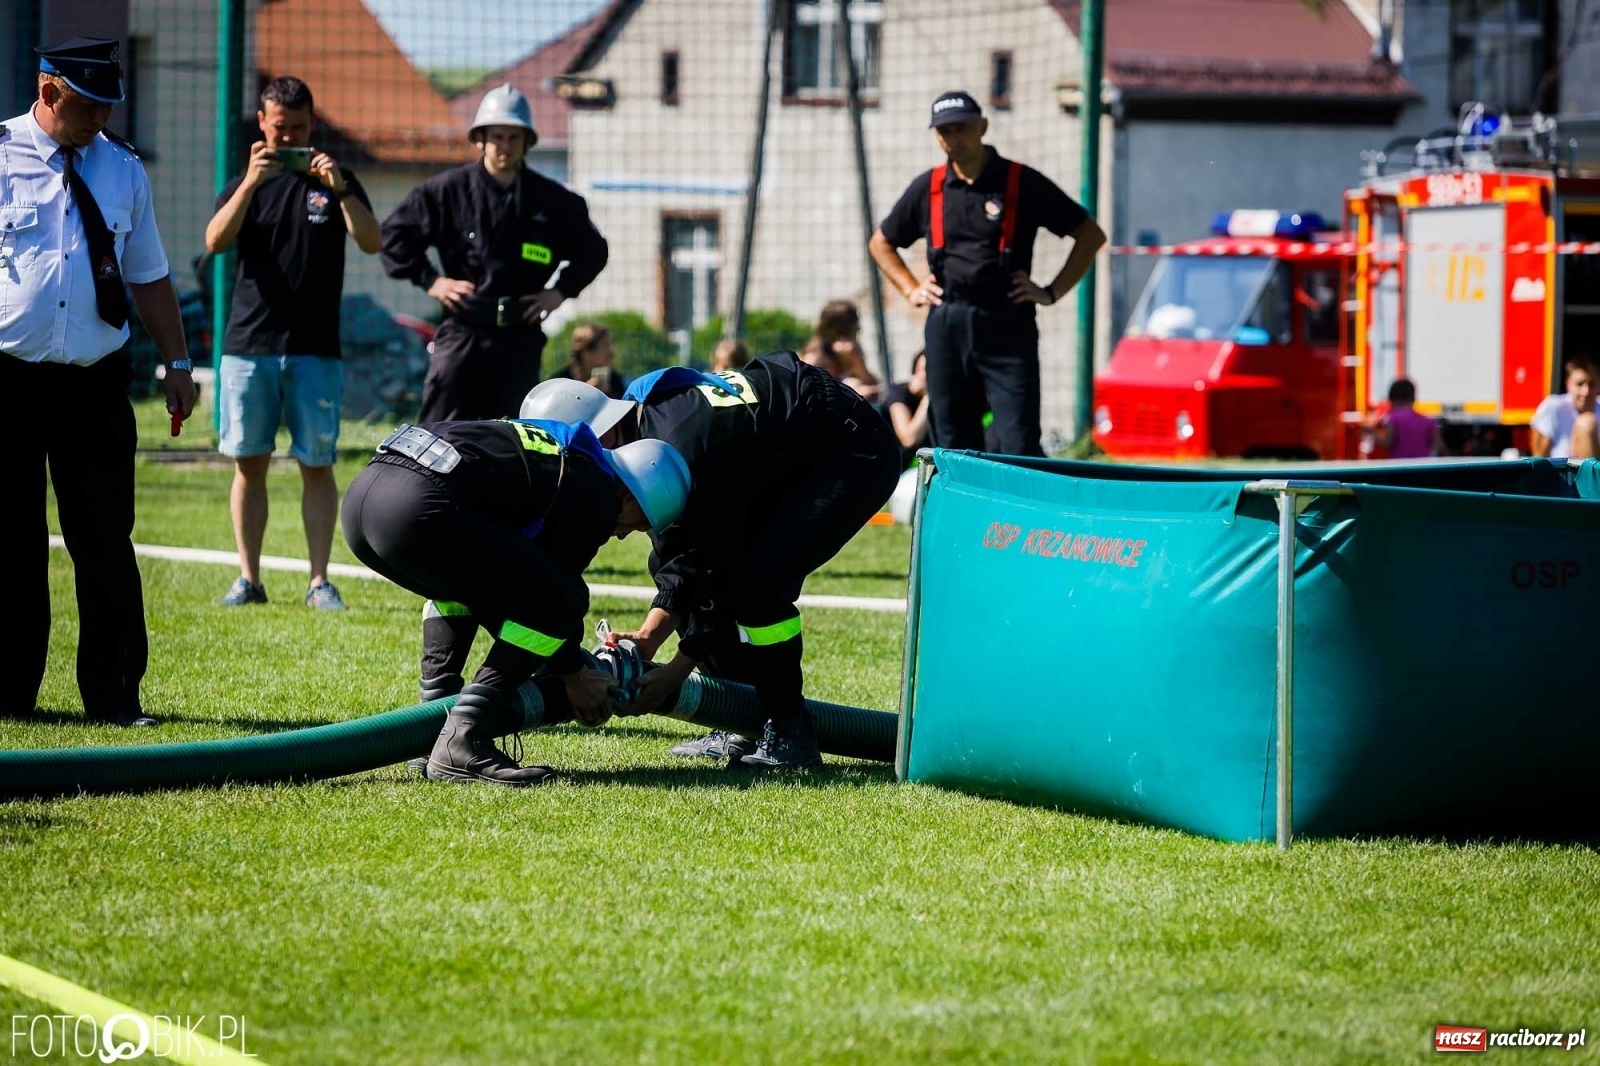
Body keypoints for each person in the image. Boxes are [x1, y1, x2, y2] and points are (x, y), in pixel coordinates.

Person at [520, 350, 902, 770]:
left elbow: (714, 564)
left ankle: (790, 732)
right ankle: (739, 719)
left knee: (759, 584)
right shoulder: (644, 438)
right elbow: (678, 559)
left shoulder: (680, 444)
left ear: (603, 436)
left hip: (846, 446)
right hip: (789, 444)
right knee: (680, 568)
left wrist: (677, 670)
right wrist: (648, 637)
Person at [0, 38, 197, 727]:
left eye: (110, 106)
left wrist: (178, 362)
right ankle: (9, 695)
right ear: (48, 90)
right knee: (10, 541)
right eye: (89, 105)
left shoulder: (123, 170)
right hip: (8, 379)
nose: (102, 119)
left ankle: (114, 697)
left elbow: (149, 275)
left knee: (107, 540)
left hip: (95, 382)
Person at [342, 417, 690, 786]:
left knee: (464, 585)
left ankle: (431, 730)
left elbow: (513, 590)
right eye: (639, 523)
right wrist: (575, 673)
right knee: (565, 601)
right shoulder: (597, 489)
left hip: (365, 499)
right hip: (418, 507)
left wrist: (563, 663)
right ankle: (461, 737)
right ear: (628, 498)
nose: (625, 535)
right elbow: (553, 603)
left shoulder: (565, 452)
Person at [204, 75, 382, 611]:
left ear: (312, 124)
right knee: (248, 464)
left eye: (299, 129)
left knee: (317, 465)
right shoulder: (244, 182)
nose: (288, 138)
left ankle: (319, 582)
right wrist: (249, 184)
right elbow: (215, 240)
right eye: (280, 128)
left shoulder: (336, 180)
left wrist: (340, 188)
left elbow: (371, 242)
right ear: (262, 122)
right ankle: (248, 580)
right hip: (249, 345)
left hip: (314, 348)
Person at [869, 90, 1106, 457]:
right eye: (945, 131)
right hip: (947, 320)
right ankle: (958, 496)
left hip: (1007, 320)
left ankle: (1018, 497)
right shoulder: (928, 188)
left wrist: (1050, 291)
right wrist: (911, 289)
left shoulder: (1020, 182)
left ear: (982, 127)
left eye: (962, 128)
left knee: (1018, 439)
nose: (954, 138)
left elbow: (1090, 235)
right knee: (950, 438)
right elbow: (881, 243)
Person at [380, 84, 608, 422]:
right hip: (463, 331)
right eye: (497, 136)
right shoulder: (446, 192)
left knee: (516, 435)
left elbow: (594, 252)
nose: (505, 145)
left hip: (521, 337)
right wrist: (433, 281)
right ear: (481, 139)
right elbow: (393, 237)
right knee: (438, 432)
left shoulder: (554, 201)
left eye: (514, 137)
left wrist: (559, 292)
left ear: (527, 142)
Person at [800, 299, 880, 401]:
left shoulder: (851, 350)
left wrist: (856, 360)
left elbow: (870, 383)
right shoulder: (816, 355)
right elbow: (808, 388)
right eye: (854, 325)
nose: (859, 328)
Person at [1531, 355, 1598, 460]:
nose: (1586, 392)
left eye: (1592, 384)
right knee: (1586, 423)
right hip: (1561, 469)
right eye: (1580, 384)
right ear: (1568, 384)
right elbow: (1538, 458)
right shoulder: (1553, 407)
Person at [1372, 378, 1442, 460]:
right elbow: (1438, 445)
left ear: (1393, 399)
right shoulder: (1428, 421)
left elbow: (1387, 442)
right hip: (1422, 465)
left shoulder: (1393, 418)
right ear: (1413, 398)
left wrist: (1373, 433)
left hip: (1399, 465)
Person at [885, 350, 932, 468]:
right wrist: (929, 395)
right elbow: (909, 439)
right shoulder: (900, 392)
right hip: (900, 468)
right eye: (924, 370)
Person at [554, 321, 625, 399]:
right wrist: (586, 392)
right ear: (585, 352)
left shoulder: (614, 381)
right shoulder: (560, 383)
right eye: (605, 345)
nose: (611, 352)